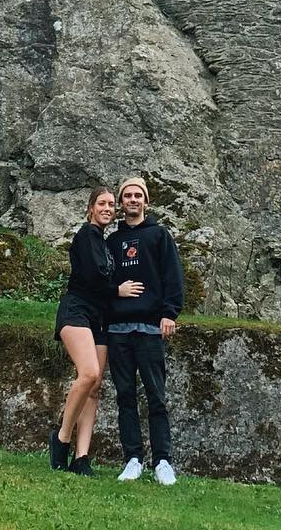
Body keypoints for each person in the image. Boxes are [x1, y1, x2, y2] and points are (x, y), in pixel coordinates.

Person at [51, 184, 144, 475]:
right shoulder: (86, 235)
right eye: (101, 203)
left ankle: (82, 457)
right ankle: (62, 437)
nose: (107, 208)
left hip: (99, 317)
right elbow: (92, 278)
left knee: (94, 388)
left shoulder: (103, 241)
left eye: (110, 205)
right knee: (88, 373)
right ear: (90, 208)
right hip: (77, 310)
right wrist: (118, 289)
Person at [108, 175, 185, 486]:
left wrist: (169, 313)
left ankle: (163, 461)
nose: (133, 200)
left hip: (151, 328)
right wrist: (116, 291)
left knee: (156, 396)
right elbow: (100, 282)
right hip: (118, 329)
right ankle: (132, 459)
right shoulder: (111, 242)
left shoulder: (159, 236)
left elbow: (173, 277)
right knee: (125, 396)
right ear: (121, 203)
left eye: (138, 195)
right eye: (127, 195)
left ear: (146, 201)